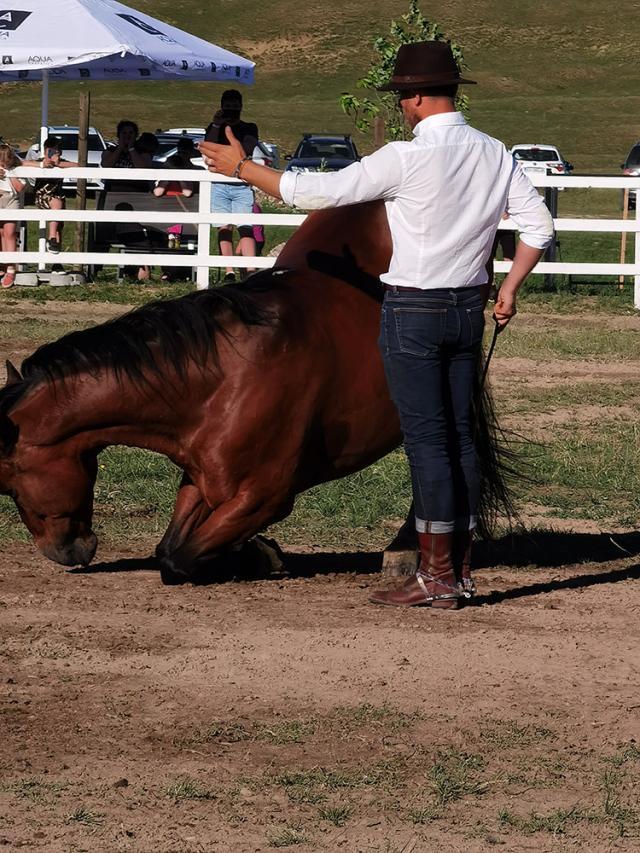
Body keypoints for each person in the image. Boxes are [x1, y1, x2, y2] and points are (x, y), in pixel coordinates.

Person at [199, 41, 554, 609]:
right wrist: (508, 289)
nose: (401, 106)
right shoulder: (495, 153)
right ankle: (457, 570)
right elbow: (538, 228)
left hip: (413, 309)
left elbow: (314, 193)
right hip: (467, 309)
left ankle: (437, 578)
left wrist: (240, 167)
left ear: (413, 96)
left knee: (429, 443)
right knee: (460, 437)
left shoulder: (405, 157)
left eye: (401, 97)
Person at [204, 89, 259, 281]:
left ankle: (250, 270)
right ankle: (229, 271)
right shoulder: (214, 128)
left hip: (241, 183)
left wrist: (228, 130)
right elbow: (208, 147)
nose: (232, 110)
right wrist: (217, 125)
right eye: (228, 107)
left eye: (235, 107)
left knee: (245, 226)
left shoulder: (250, 127)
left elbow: (246, 150)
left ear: (241, 107)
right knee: (223, 227)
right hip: (219, 181)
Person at [102, 121, 154, 281]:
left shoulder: (142, 152)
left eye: (130, 133)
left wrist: (131, 148)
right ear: (118, 135)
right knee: (105, 231)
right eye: (124, 133)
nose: (127, 136)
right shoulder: (109, 151)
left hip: (137, 200)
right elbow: (106, 164)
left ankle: (138, 270)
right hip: (113, 200)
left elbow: (143, 169)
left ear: (135, 136)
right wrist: (119, 148)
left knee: (133, 229)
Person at [24, 135, 75, 254]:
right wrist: (42, 164)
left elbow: (78, 165)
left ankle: (55, 258)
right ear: (45, 150)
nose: (53, 153)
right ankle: (51, 239)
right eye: (50, 150)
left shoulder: (62, 162)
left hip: (59, 197)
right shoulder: (40, 161)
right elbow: (23, 163)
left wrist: (59, 164)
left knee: (59, 226)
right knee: (57, 204)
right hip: (42, 196)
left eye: (56, 150)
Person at [0, 143, 26, 288]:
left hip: (11, 199)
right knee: (1, 232)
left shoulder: (16, 169)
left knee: (10, 232)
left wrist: (9, 173)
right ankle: (2, 266)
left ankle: (11, 268)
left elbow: (20, 187)